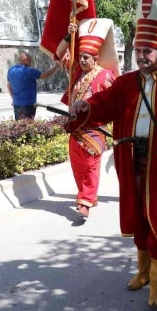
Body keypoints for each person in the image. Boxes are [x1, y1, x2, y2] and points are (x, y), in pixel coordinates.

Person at [69, 0, 157, 308]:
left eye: (149, 51)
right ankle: (142, 272)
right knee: (138, 218)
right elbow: (103, 104)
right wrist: (85, 106)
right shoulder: (126, 83)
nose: (142, 56)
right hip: (132, 161)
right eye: (139, 50)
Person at [56, 18, 119, 219]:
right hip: (75, 128)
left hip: (94, 129)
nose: (82, 60)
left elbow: (115, 102)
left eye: (87, 57)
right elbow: (59, 53)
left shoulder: (106, 76)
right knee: (78, 167)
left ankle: (85, 201)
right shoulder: (74, 71)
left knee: (91, 166)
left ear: (95, 58)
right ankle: (89, 196)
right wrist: (70, 35)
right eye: (81, 56)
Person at [7, 51, 61, 120]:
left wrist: (14, 99)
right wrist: (56, 66)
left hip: (16, 104)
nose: (31, 63)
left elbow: (9, 86)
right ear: (26, 60)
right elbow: (45, 75)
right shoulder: (29, 71)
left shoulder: (11, 70)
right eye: (31, 60)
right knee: (28, 126)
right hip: (28, 105)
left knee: (19, 126)